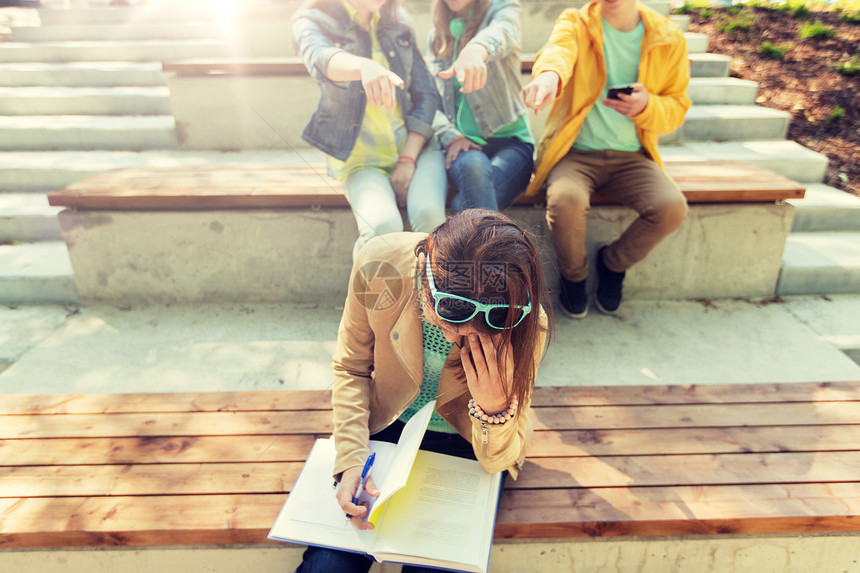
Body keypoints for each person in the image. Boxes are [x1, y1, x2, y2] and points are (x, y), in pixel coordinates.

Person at [294, 209, 550, 573]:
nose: (455, 338)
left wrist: (494, 409)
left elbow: (498, 459)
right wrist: (350, 457)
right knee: (326, 567)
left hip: (467, 445)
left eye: (481, 329)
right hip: (385, 431)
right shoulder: (379, 265)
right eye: (449, 316)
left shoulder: (527, 323)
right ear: (424, 278)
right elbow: (351, 367)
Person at [521, 0, 691, 317]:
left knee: (672, 208)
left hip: (633, 158)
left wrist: (647, 107)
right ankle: (575, 277)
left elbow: (677, 107)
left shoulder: (668, 36)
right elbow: (558, 52)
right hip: (576, 154)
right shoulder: (576, 22)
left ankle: (612, 264)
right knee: (565, 200)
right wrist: (548, 77)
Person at [294, 0, 448, 260]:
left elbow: (426, 95)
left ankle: (431, 301)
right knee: (382, 228)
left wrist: (408, 159)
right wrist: (364, 66)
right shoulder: (313, 20)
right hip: (361, 159)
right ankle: (364, 302)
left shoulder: (398, 22)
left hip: (417, 149)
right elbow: (319, 57)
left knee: (429, 218)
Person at [428, 0, 535, 213]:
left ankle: (474, 245)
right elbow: (432, 100)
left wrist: (477, 49)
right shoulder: (436, 36)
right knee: (473, 167)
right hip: (461, 145)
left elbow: (502, 31)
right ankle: (500, 247)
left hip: (512, 144)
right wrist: (452, 137)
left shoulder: (504, 8)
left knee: (464, 207)